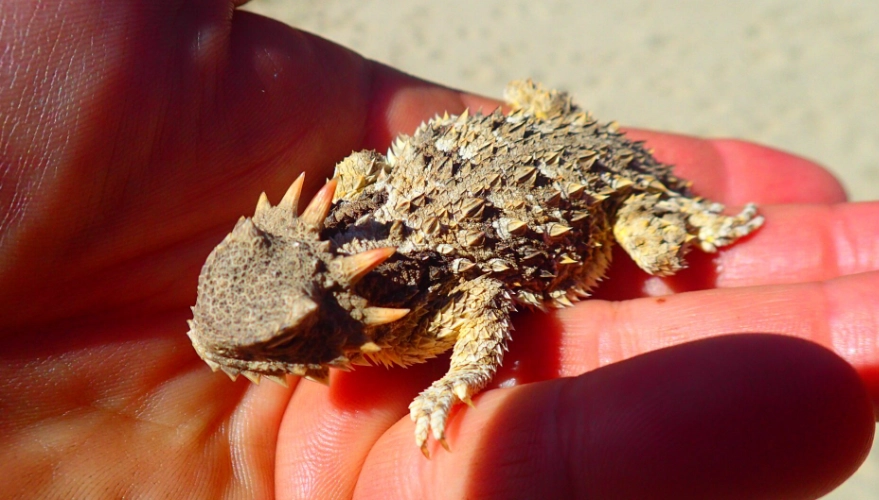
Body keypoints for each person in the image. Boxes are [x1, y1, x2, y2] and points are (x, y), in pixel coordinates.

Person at [1, 1, 875, 498]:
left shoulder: (397, 318)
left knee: (665, 251)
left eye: (265, 343)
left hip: (582, 195)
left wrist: (456, 382)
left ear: (322, 327)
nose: (206, 341)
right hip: (501, 145)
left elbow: (484, 301)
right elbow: (352, 164)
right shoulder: (340, 232)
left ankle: (680, 214)